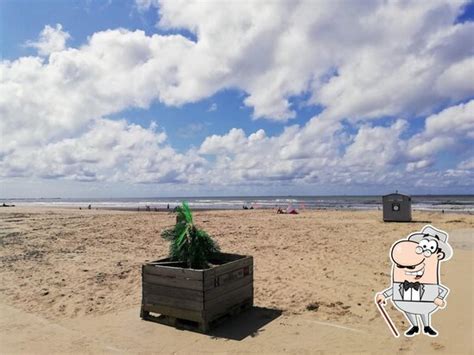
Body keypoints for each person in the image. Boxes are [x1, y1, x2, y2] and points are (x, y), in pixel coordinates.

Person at [376, 225, 452, 337]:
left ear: (438, 255)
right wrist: (383, 295)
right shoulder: (408, 265)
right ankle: (415, 326)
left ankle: (426, 326)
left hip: (426, 301)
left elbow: (442, 290)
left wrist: (439, 298)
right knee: (409, 310)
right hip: (405, 301)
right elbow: (395, 289)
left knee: (424, 311)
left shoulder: (430, 273)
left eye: (429, 250)